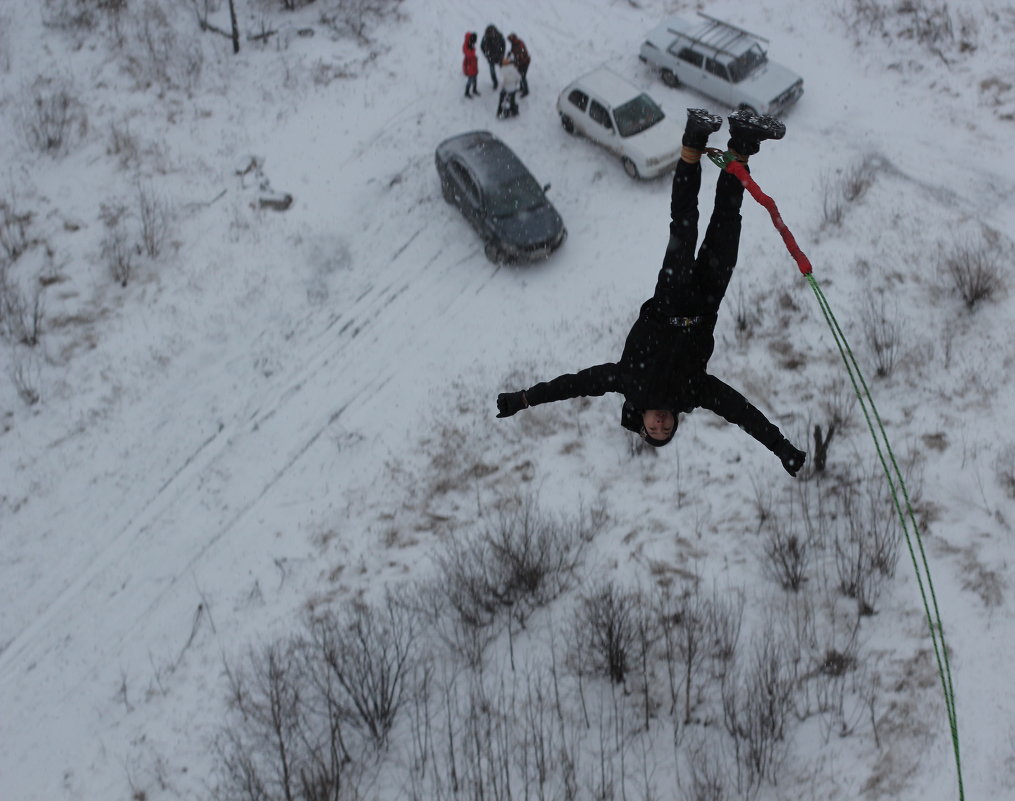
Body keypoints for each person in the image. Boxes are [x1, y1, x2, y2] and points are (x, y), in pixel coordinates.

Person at [495, 109, 808, 477]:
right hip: (707, 303)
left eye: (653, 429)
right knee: (726, 226)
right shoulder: (694, 393)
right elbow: (741, 411)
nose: (660, 424)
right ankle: (741, 143)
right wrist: (781, 447)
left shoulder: (628, 381)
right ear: (674, 422)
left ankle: (693, 140)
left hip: (669, 299)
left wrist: (525, 399)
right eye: (666, 429)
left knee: (685, 224)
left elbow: (573, 384)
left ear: (640, 420)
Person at [480, 25, 506, 90]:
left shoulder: (500, 36)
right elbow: (482, 46)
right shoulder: (485, 37)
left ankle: (506, 81)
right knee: (492, 71)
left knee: (504, 69)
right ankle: (495, 83)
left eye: (493, 32)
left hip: (499, 56)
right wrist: (486, 55)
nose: (492, 34)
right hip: (491, 57)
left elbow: (503, 44)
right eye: (490, 33)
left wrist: (502, 53)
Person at [462, 32, 479, 98]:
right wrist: (472, 50)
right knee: (470, 79)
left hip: (474, 63)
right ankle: (467, 92)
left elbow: (472, 53)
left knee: (475, 78)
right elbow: (468, 54)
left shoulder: (471, 43)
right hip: (469, 64)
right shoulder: (465, 45)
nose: (474, 43)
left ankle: (474, 89)